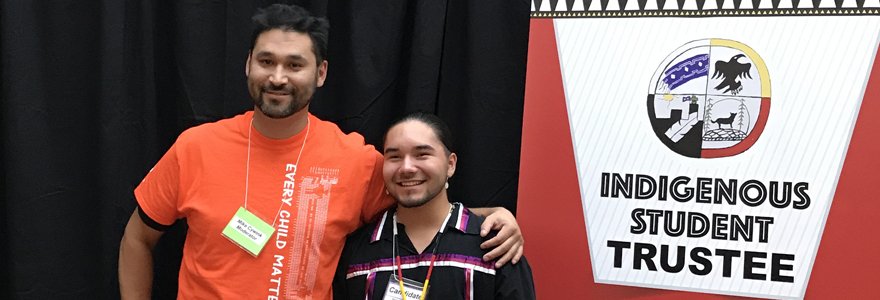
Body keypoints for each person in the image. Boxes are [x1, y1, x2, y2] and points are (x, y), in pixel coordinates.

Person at [118, 4, 523, 299]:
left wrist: (492, 217)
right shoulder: (196, 148)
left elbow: (418, 202)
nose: (278, 77)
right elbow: (137, 238)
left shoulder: (355, 160)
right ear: (247, 66)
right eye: (266, 61)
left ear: (321, 73)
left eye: (295, 65)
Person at [333, 112, 535, 300]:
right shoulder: (356, 252)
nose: (407, 168)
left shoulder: (496, 246)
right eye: (394, 156)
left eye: (422, 154)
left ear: (451, 164)